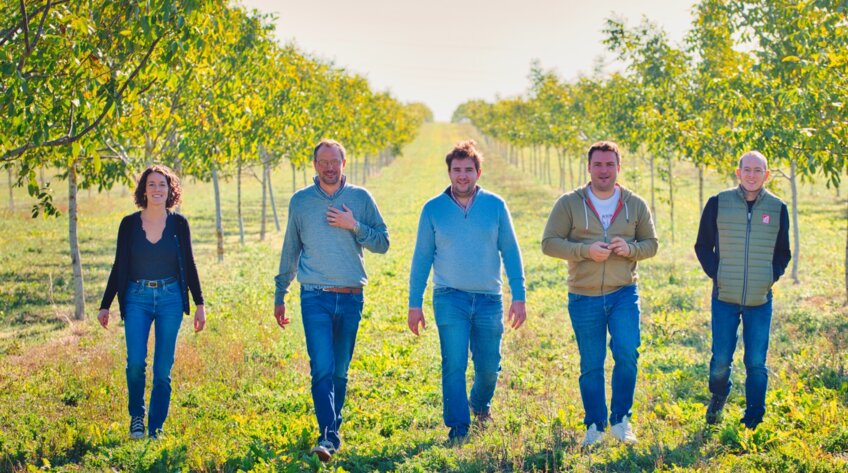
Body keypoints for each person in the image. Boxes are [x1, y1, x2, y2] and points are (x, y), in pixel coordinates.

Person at [274, 139, 389, 462]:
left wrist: (354, 226)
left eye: (334, 161)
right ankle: (328, 435)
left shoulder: (360, 198)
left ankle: (331, 430)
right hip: (315, 298)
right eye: (322, 161)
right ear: (314, 165)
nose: (328, 167)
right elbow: (290, 250)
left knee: (340, 371)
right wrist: (280, 292)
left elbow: (383, 242)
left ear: (344, 163)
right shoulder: (301, 202)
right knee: (322, 368)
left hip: (351, 297)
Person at [407, 140, 526, 443]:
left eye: (468, 170)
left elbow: (510, 252)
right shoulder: (433, 210)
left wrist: (519, 296)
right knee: (454, 362)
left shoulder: (495, 206)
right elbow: (421, 258)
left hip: (489, 299)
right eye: (457, 170)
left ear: (478, 172)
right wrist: (414, 303)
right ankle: (458, 426)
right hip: (450, 297)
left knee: (488, 367)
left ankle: (480, 404)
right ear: (448, 172)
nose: (463, 175)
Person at [541, 141, 657, 447]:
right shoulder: (569, 203)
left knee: (627, 354)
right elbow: (549, 242)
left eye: (609, 164)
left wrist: (630, 248)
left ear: (619, 167)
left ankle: (620, 420)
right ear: (589, 167)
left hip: (623, 293)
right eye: (598, 164)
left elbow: (651, 244)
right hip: (584, 296)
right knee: (591, 362)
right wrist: (584, 251)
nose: (603, 170)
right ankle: (594, 424)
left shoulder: (635, 204)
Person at [98, 165, 206, 439]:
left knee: (162, 370)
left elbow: (190, 264)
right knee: (135, 362)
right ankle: (137, 417)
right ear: (143, 190)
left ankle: (156, 427)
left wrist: (200, 303)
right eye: (152, 184)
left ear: (170, 190)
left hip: (170, 298)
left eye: (162, 184)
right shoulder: (129, 224)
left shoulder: (179, 224)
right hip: (137, 298)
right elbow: (118, 265)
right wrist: (105, 304)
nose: (157, 189)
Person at [694, 151, 790, 430]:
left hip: (760, 300)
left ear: (766, 175)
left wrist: (769, 278)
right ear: (738, 172)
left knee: (756, 361)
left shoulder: (777, 208)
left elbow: (783, 252)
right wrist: (718, 274)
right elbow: (702, 246)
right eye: (746, 169)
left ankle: (754, 419)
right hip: (724, 296)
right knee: (721, 359)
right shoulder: (718, 203)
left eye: (757, 170)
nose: (751, 175)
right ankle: (720, 393)